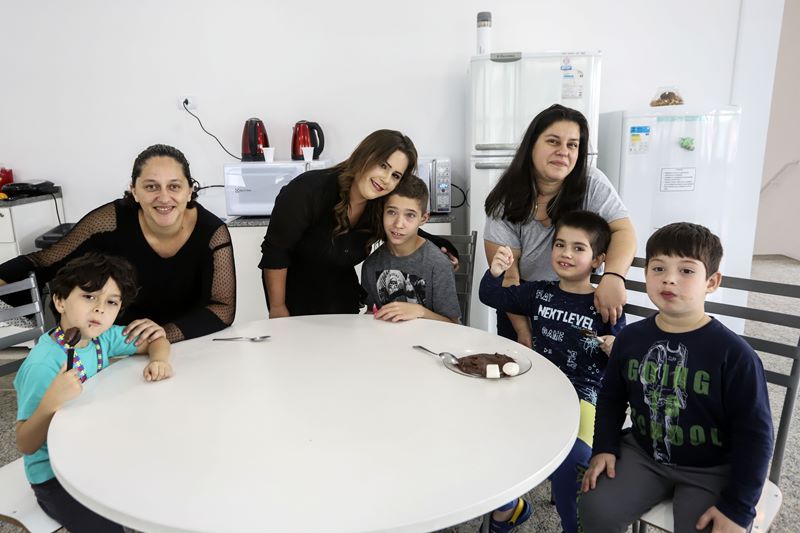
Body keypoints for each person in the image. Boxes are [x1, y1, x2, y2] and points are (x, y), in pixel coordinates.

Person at [579, 223, 773, 533]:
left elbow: (756, 435)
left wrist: (738, 506)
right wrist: (604, 446)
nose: (669, 278)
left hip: (713, 467)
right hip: (643, 453)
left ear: (711, 282)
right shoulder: (630, 339)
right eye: (658, 267)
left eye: (686, 270)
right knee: (595, 506)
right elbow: (612, 397)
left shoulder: (735, 355)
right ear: (646, 276)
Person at [479, 210, 625, 533]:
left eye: (578, 248)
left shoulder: (603, 305)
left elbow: (625, 358)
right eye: (560, 245)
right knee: (489, 436)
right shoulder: (539, 292)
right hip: (538, 388)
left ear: (598, 259)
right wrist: (496, 271)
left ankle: (574, 526)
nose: (566, 254)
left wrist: (615, 346)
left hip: (583, 396)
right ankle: (507, 509)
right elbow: (490, 296)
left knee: (574, 463)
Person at [0, 144, 235, 343]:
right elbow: (44, 261)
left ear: (189, 190)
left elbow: (223, 308)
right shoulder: (110, 221)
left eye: (174, 186)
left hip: (190, 342)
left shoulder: (212, 231)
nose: (164, 197)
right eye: (151, 186)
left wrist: (163, 333)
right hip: (120, 342)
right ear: (134, 191)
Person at [14, 253, 172, 532]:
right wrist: (50, 402)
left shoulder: (100, 339)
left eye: (111, 302)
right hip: (54, 476)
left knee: (162, 483)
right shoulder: (43, 365)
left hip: (92, 453)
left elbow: (156, 338)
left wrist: (159, 360)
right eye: (89, 297)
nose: (100, 309)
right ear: (60, 301)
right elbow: (26, 444)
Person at [260, 129, 456, 317]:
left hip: (343, 301)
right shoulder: (308, 189)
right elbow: (275, 252)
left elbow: (398, 228)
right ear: (364, 156)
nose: (386, 179)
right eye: (383, 165)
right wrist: (277, 308)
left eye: (395, 175)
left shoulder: (379, 205)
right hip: (295, 300)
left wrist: (440, 244)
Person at [483, 104, 636, 346]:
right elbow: (508, 279)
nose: (563, 152)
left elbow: (623, 231)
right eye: (553, 141)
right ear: (532, 144)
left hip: (578, 307)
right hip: (523, 307)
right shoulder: (506, 199)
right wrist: (524, 332)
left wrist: (614, 277)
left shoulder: (591, 182)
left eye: (572, 145)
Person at [361, 175, 461, 323]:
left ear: (423, 218)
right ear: (382, 212)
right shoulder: (370, 265)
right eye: (392, 212)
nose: (399, 224)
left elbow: (453, 324)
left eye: (410, 215)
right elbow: (372, 312)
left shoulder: (438, 264)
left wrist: (420, 311)